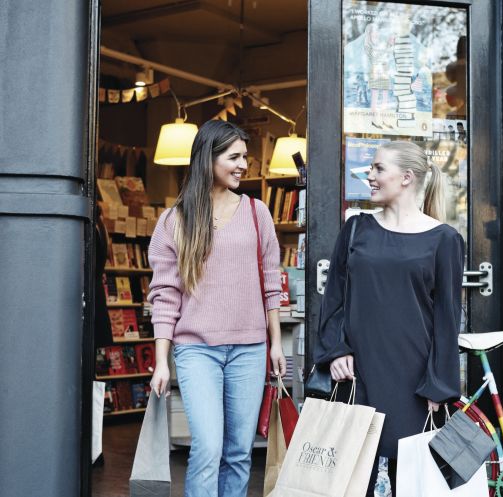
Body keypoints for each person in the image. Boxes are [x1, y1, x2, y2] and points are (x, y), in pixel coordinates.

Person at [314, 140, 465, 495]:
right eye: (372, 168)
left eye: (379, 168)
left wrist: (439, 385)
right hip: (358, 372)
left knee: (412, 482)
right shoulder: (355, 229)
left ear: (406, 178)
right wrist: (336, 350)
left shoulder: (445, 240)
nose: (370, 175)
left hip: (413, 380)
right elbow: (333, 299)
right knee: (350, 478)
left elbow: (447, 318)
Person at [148, 120, 285, 497]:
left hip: (250, 350)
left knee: (239, 453)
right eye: (234, 157)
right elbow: (165, 295)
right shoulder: (175, 220)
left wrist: (274, 343)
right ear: (208, 159)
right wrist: (162, 360)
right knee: (207, 448)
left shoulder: (258, 214)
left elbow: (271, 283)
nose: (243, 165)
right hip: (196, 351)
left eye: (245, 157)